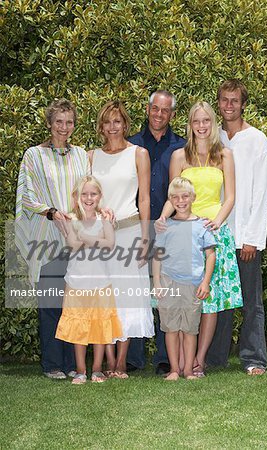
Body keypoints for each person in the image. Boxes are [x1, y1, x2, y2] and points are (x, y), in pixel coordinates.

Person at [157, 101, 243, 376]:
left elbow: (230, 196)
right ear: (190, 125)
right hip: (184, 234)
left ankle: (200, 360)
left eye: (206, 120)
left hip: (213, 232)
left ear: (213, 123)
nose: (202, 126)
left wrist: (218, 220)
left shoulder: (225, 155)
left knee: (210, 299)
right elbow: (174, 195)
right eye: (196, 121)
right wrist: (162, 218)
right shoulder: (179, 156)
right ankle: (180, 363)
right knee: (186, 295)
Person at [15, 98, 90, 379]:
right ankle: (52, 364)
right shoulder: (34, 155)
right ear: (49, 123)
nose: (64, 127)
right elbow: (27, 195)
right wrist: (51, 213)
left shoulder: (81, 155)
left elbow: (88, 190)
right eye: (59, 121)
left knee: (75, 303)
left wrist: (78, 217)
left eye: (69, 122)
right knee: (50, 303)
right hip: (47, 237)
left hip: (75, 238)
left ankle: (73, 363)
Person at [206, 79, 267, 375]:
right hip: (216, 232)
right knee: (219, 301)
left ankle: (254, 358)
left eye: (234, 101)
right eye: (224, 100)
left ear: (243, 104)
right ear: (218, 103)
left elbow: (262, 193)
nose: (229, 106)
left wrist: (252, 239)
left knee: (250, 302)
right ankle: (214, 358)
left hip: (244, 235)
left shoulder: (257, 139)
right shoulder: (212, 137)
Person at [89, 100, 154, 379]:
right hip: (100, 237)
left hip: (129, 233)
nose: (112, 127)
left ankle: (120, 363)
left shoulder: (139, 153)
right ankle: (107, 358)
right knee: (104, 299)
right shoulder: (90, 156)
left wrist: (145, 238)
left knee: (128, 300)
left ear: (125, 124)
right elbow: (85, 196)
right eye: (107, 122)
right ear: (101, 126)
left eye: (117, 121)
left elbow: (145, 198)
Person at [127, 90, 186, 375]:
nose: (159, 114)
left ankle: (165, 357)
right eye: (155, 109)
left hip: (170, 228)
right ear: (148, 110)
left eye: (165, 110)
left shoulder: (182, 147)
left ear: (172, 114)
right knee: (136, 292)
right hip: (137, 228)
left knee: (167, 293)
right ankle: (133, 358)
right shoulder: (132, 146)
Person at [55, 176, 122, 384]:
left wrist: (86, 238)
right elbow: (73, 245)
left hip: (101, 283)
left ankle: (97, 370)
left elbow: (110, 244)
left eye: (93, 193)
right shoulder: (72, 219)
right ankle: (81, 370)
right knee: (78, 328)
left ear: (100, 196)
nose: (89, 198)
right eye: (84, 194)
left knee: (100, 326)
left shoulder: (104, 220)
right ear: (77, 197)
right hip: (76, 282)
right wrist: (94, 241)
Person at [153, 177, 216, 381]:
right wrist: (157, 284)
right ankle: (173, 369)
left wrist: (205, 282)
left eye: (185, 196)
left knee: (190, 330)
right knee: (171, 329)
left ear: (193, 198)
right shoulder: (165, 226)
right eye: (175, 197)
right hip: (168, 282)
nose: (180, 201)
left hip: (193, 284)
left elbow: (210, 255)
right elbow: (157, 257)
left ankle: (188, 370)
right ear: (170, 200)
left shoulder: (202, 225)